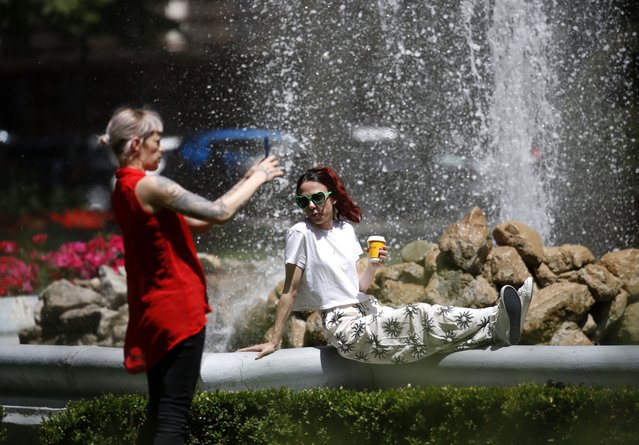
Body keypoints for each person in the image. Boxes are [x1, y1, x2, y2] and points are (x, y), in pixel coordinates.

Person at [100, 106, 283, 445]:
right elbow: (220, 212)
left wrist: (246, 177)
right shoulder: (150, 186)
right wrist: (261, 178)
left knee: (159, 414)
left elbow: (203, 219)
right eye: (157, 140)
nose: (162, 146)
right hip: (178, 312)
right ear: (138, 144)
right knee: (172, 419)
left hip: (153, 312)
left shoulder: (124, 188)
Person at [239, 166, 534, 364]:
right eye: (303, 202)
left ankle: (499, 326)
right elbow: (289, 291)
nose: (312, 206)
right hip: (343, 326)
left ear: (332, 196)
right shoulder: (300, 233)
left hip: (367, 308)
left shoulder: (345, 231)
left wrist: (374, 265)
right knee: (419, 315)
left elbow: (358, 286)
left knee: (427, 317)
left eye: (317, 198)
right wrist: (274, 340)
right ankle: (498, 317)